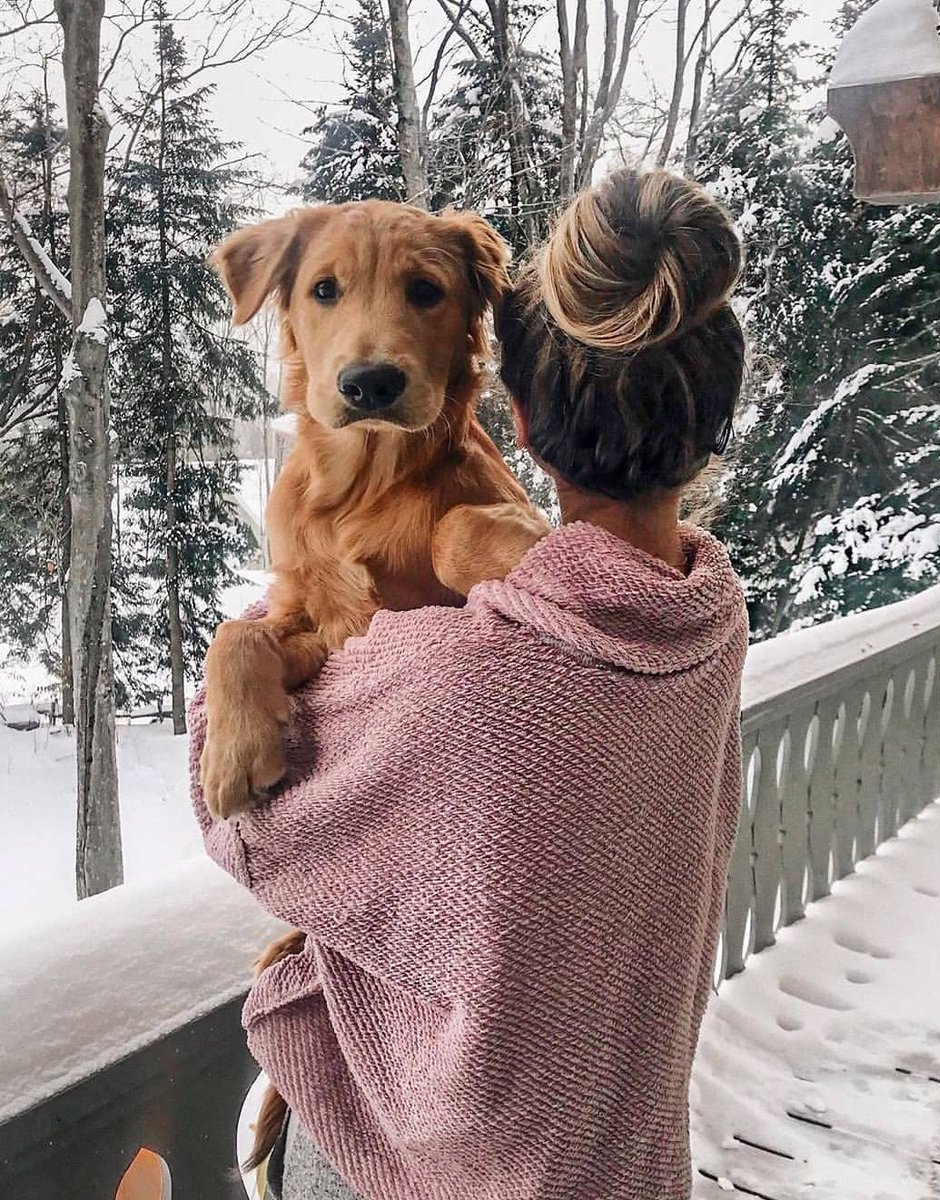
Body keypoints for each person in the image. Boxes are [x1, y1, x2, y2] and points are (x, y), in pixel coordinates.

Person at [191, 168, 749, 1200]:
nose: (370, 341)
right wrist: (255, 645)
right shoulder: (703, 612)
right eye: (326, 292)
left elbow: (248, 826)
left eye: (422, 295)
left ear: (512, 406)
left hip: (434, 1145)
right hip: (620, 1125)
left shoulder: (482, 665)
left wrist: (250, 662)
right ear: (716, 416)